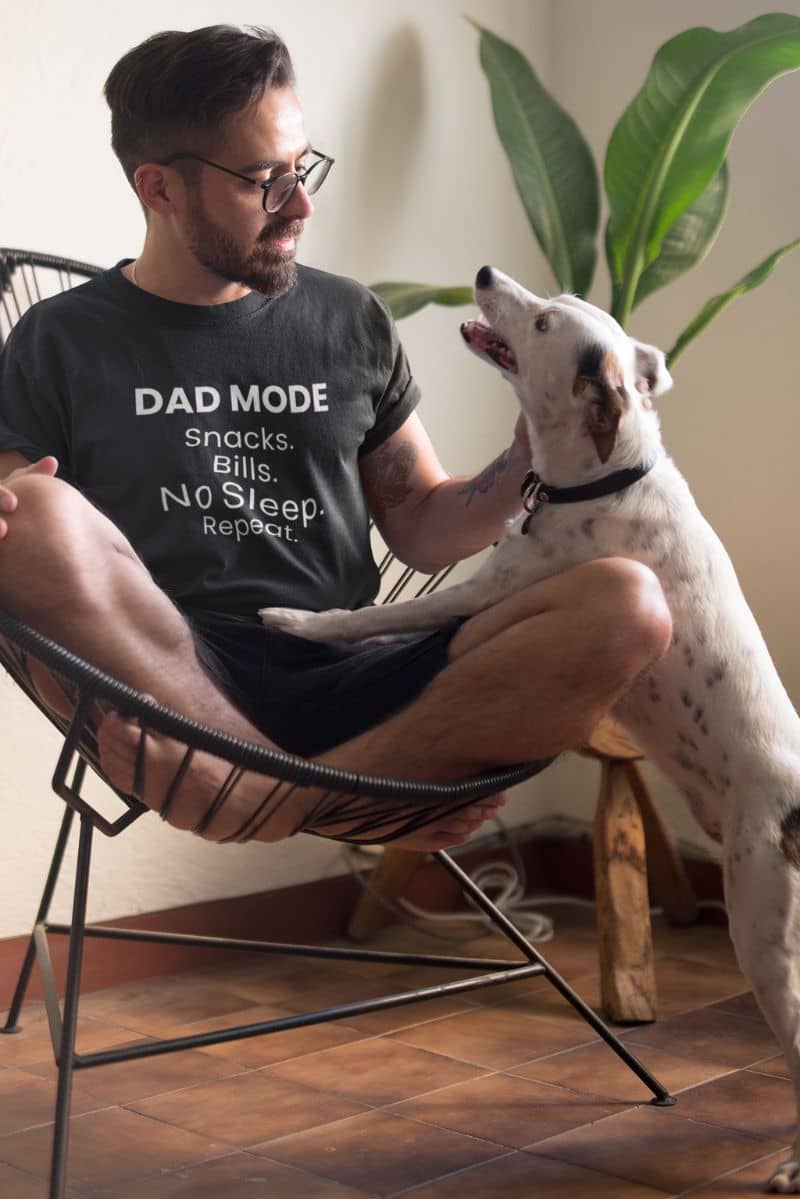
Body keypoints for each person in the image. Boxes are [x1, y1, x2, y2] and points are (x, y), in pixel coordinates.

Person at [0, 25, 672, 850]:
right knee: (28, 512)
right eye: (265, 182)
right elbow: (22, 547)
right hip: (168, 684)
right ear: (159, 188)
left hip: (356, 664)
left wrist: (526, 458)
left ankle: (269, 796)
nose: (303, 204)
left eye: (302, 168)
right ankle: (350, 789)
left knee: (630, 604)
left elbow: (423, 528)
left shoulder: (345, 317)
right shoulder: (59, 340)